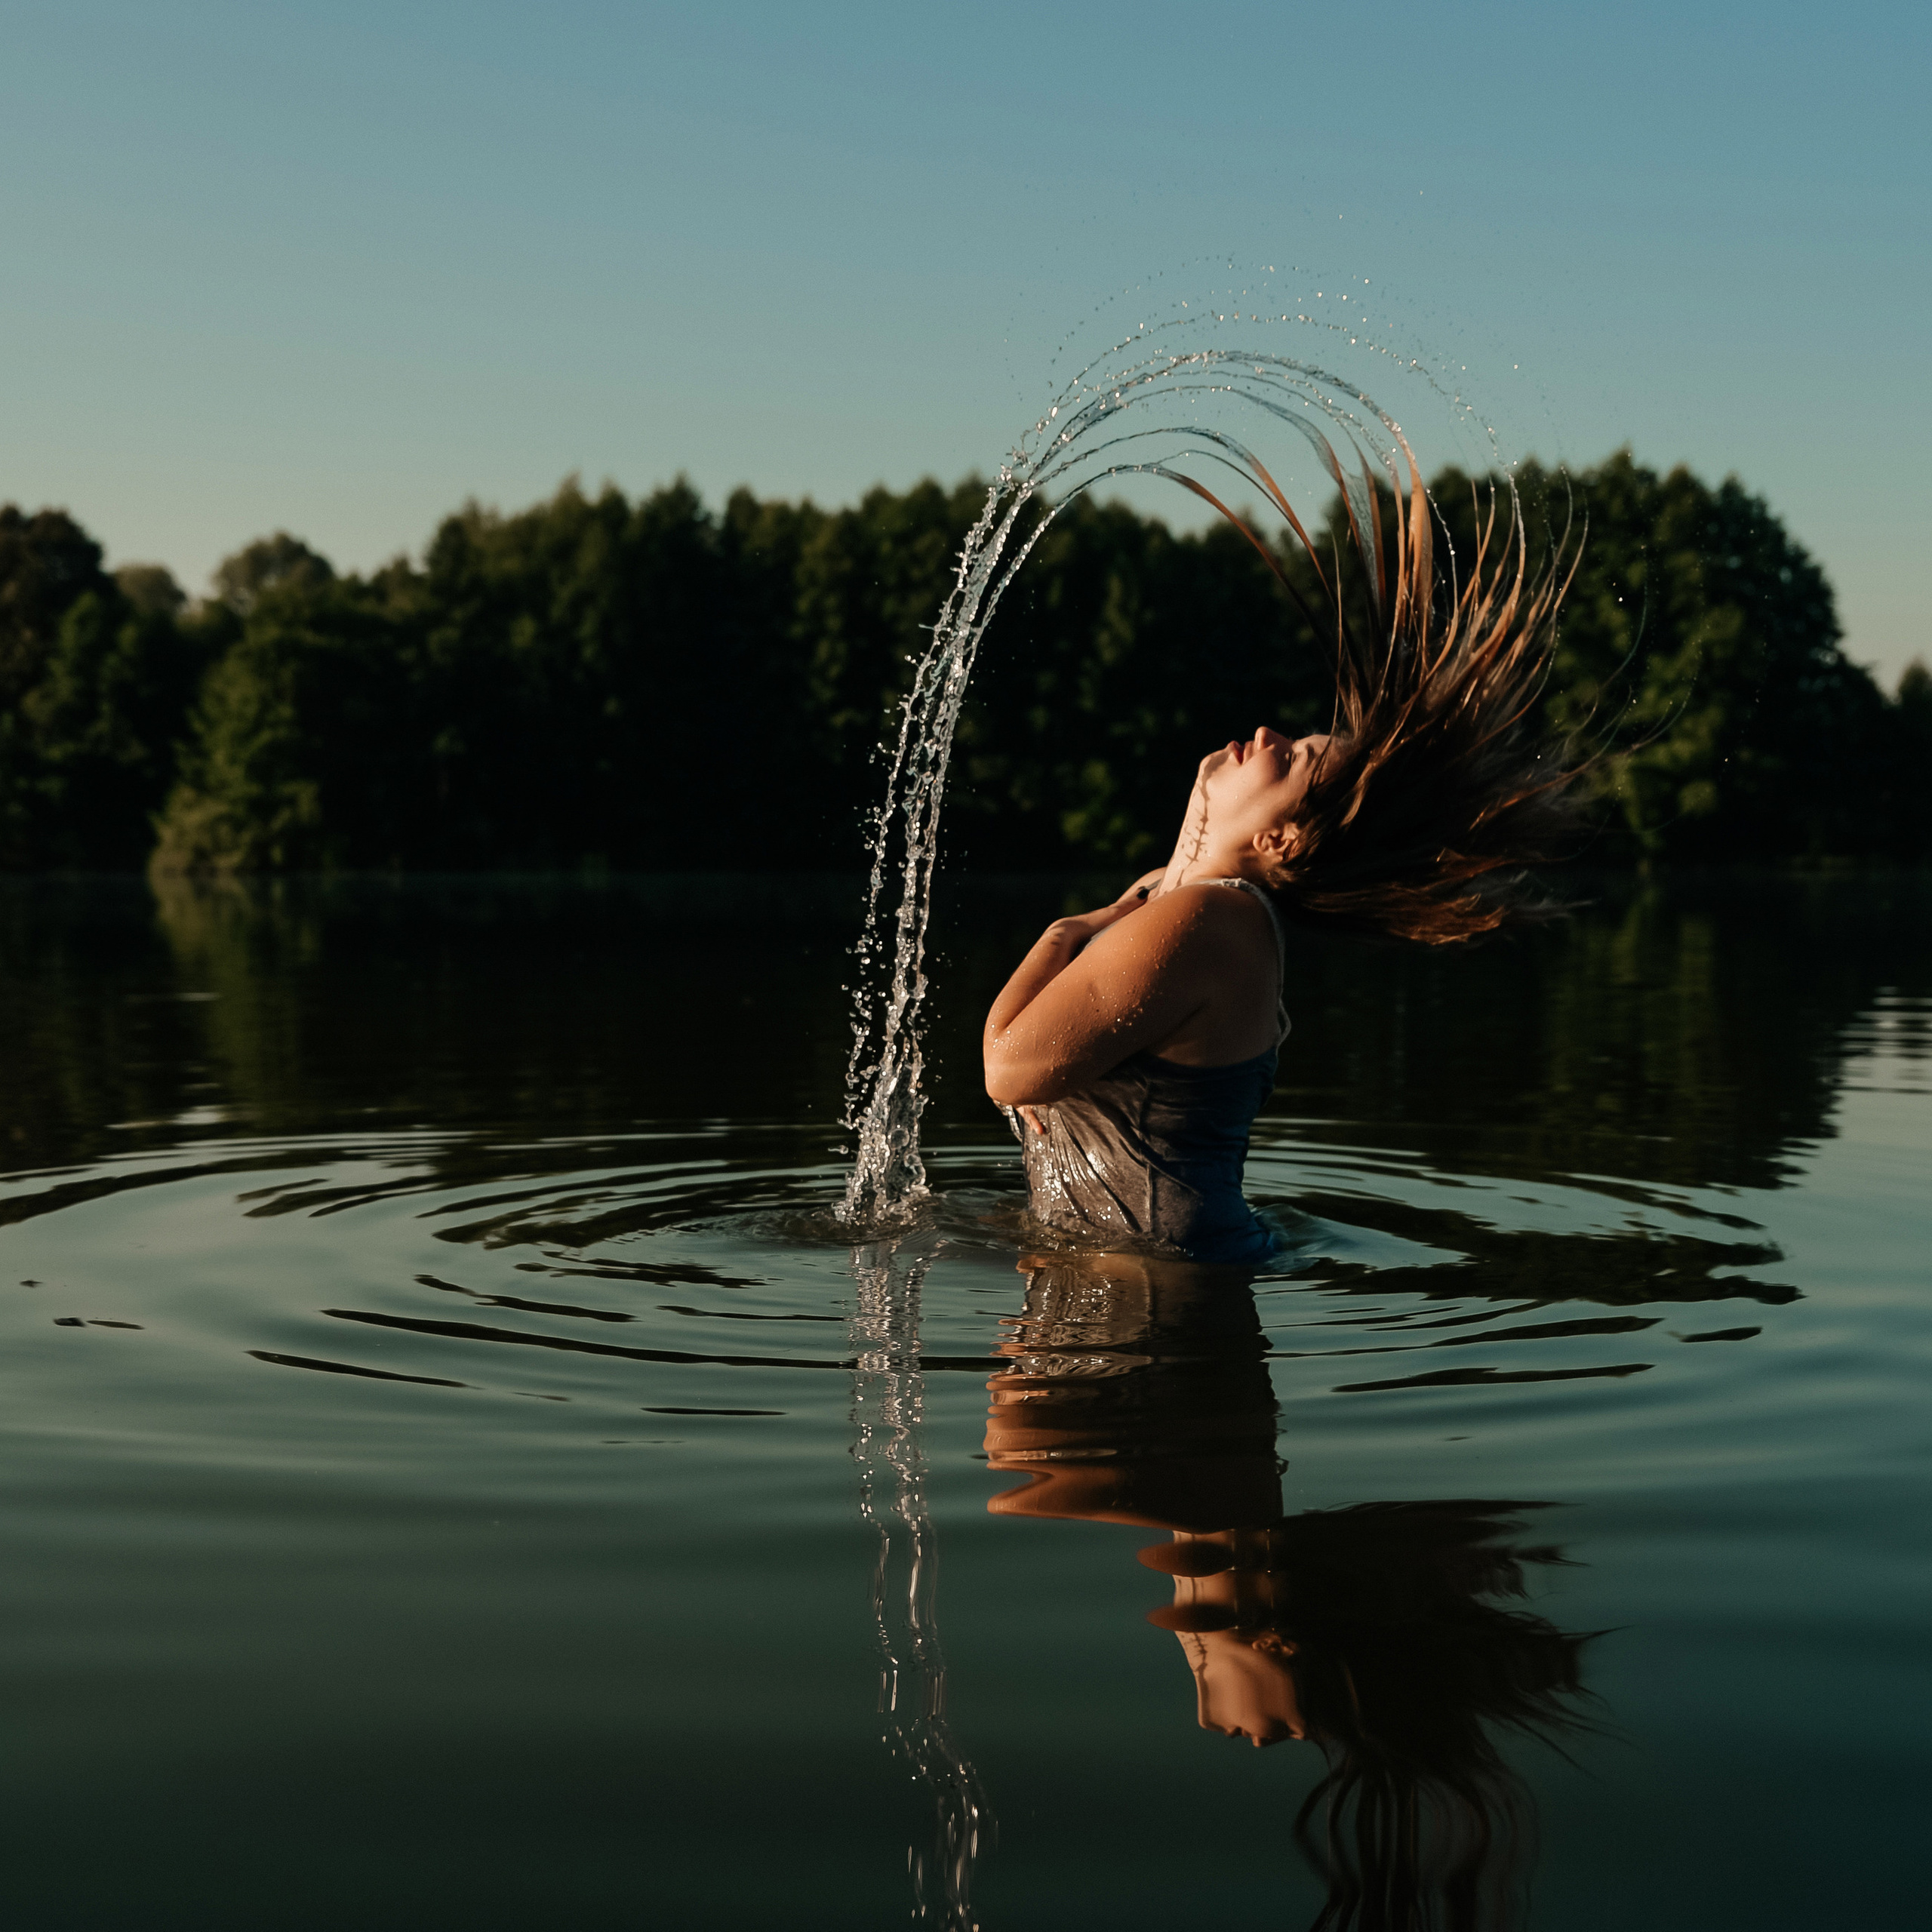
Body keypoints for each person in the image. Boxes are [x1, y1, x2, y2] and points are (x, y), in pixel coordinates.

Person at [983, 461, 1584, 1263]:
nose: (1267, 735)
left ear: (1284, 843)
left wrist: (1069, 928)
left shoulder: (1207, 921)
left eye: (1294, 758)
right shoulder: (1196, 912)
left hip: (1162, 1309)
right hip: (1147, 1297)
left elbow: (1006, 1069)